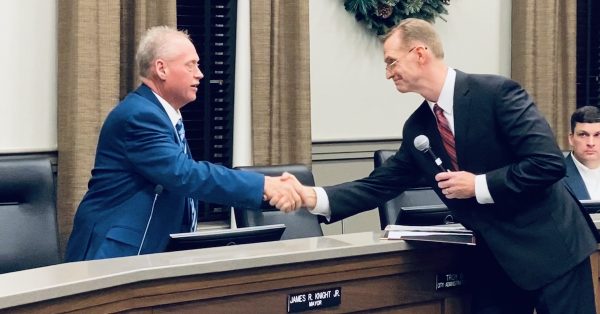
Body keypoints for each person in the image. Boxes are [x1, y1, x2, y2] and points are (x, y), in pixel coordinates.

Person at [288, 18, 599, 313]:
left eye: (391, 62)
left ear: (420, 53)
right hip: (496, 264)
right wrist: (313, 197)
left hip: (554, 253)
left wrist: (477, 185)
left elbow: (546, 164)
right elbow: (380, 184)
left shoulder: (496, 94)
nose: (388, 73)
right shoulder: (418, 128)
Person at [65, 26, 300, 261]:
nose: (200, 74)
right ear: (161, 68)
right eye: (191, 65)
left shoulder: (163, 114)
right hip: (114, 255)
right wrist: (263, 185)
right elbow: (184, 175)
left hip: (148, 255)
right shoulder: (140, 115)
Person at [564, 105, 600, 200]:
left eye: (597, 135)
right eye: (583, 135)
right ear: (571, 139)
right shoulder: (554, 177)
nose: (591, 143)